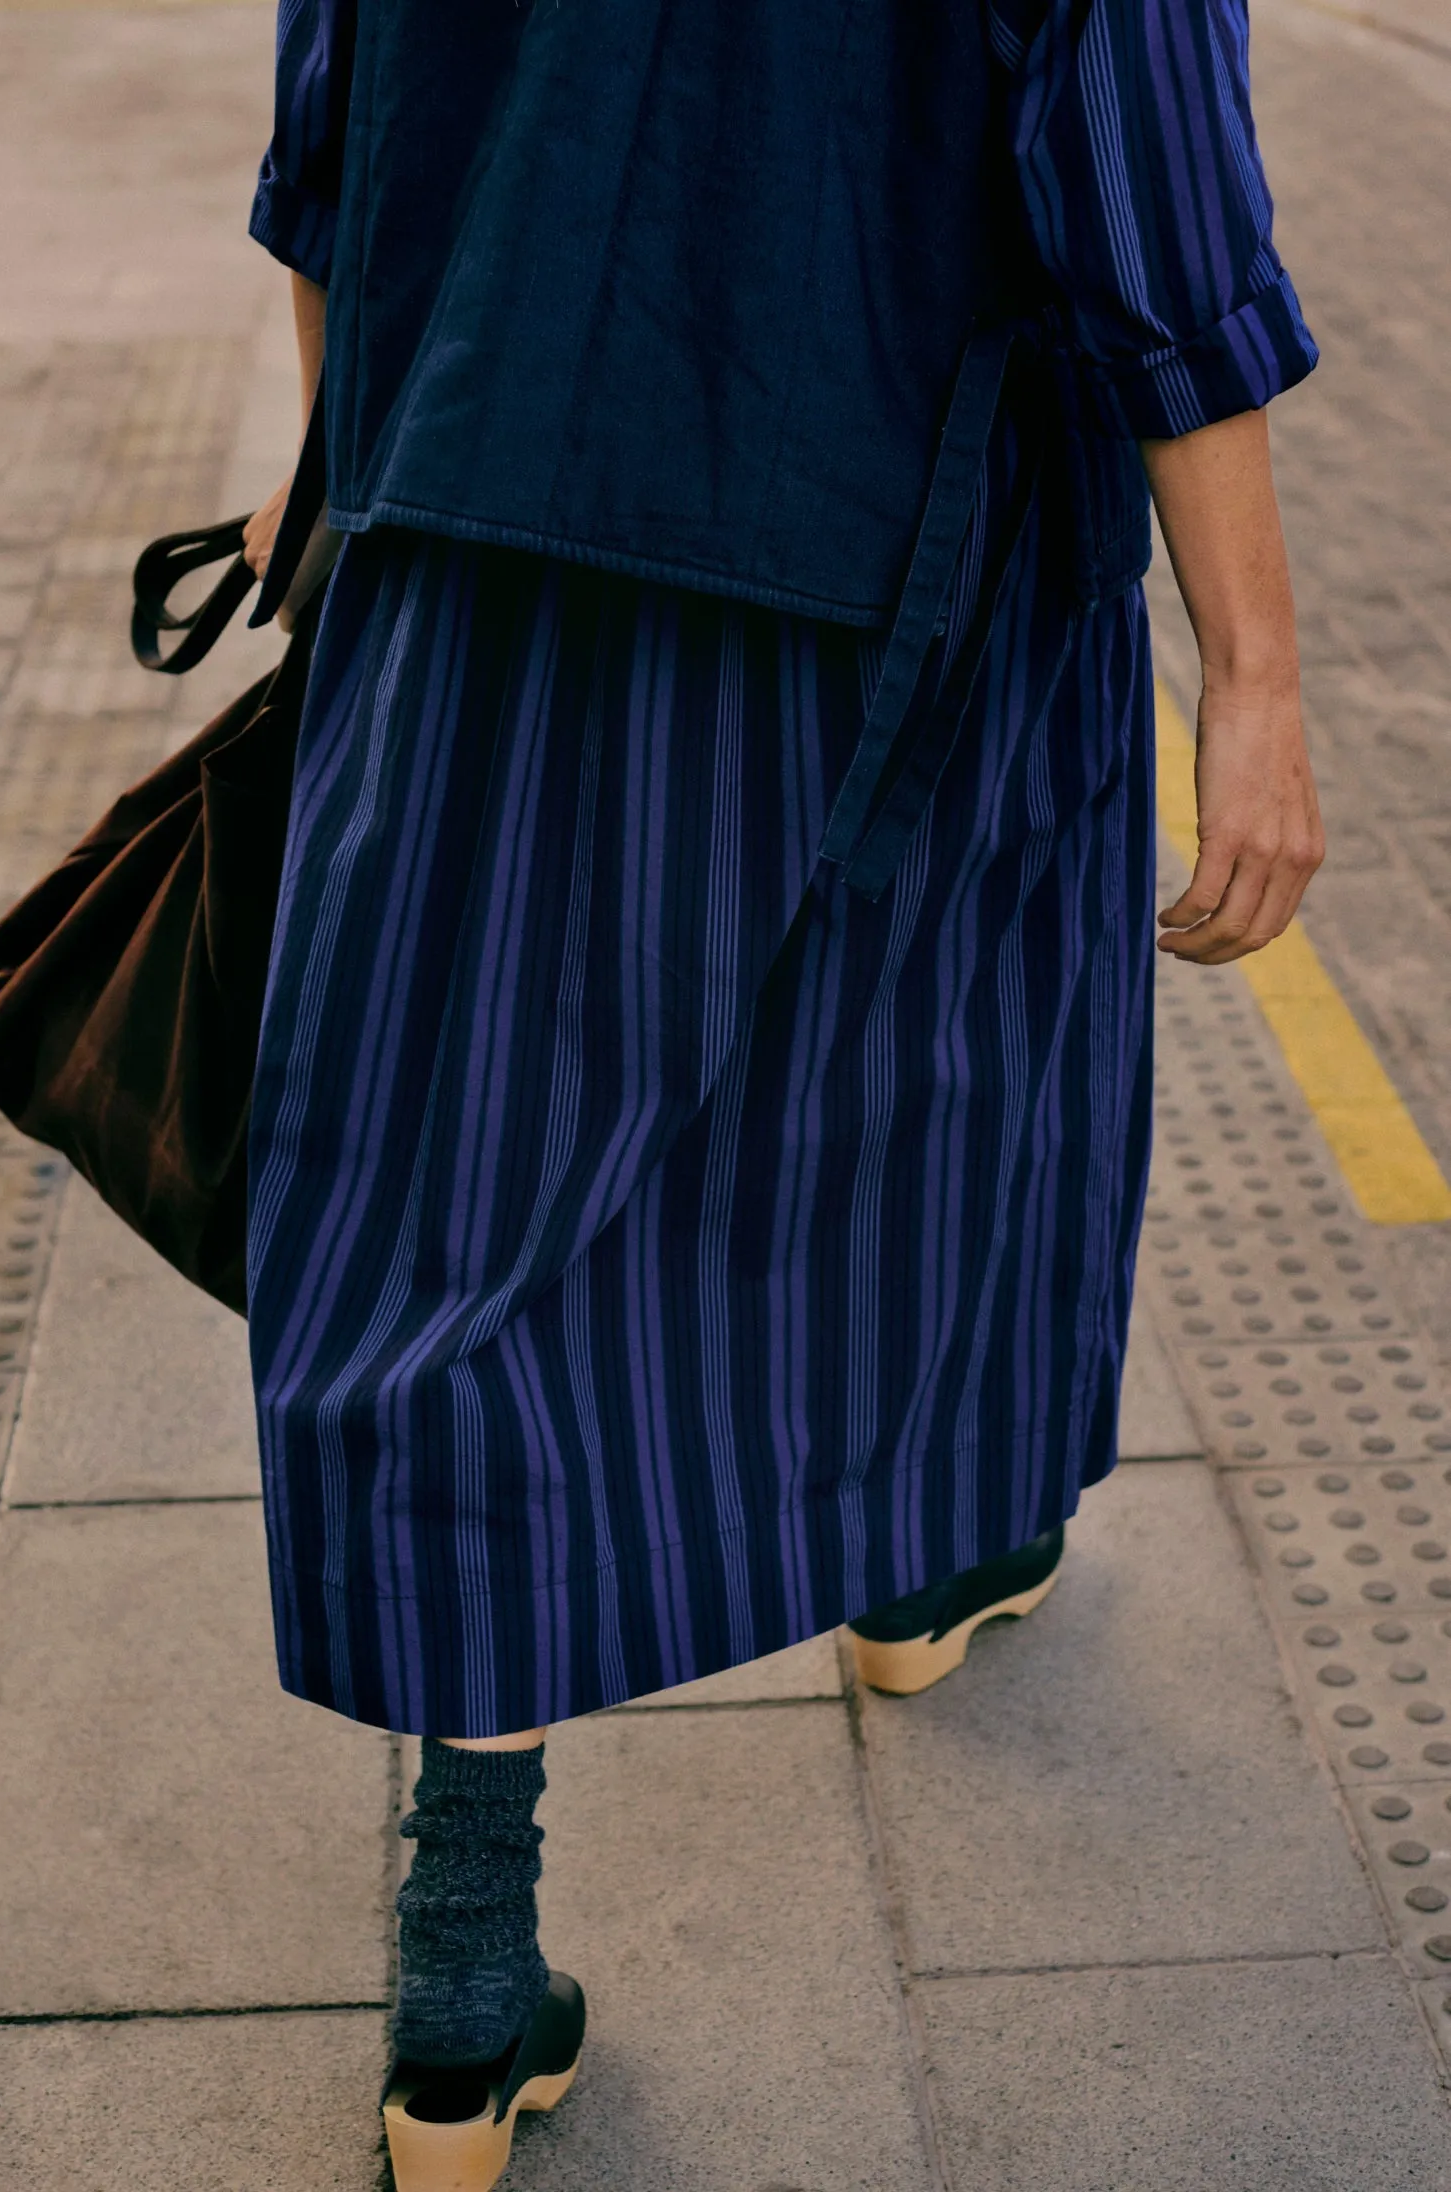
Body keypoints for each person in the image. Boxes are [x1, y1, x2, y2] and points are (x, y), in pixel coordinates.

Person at [239, 0, 1324, 2182]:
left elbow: (328, 129)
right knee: (936, 1079)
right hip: (893, 540)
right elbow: (1149, 210)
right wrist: (1260, 679)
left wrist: (342, 454)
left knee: (462, 1208)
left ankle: (464, 1959)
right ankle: (925, 1562)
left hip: (471, 503)